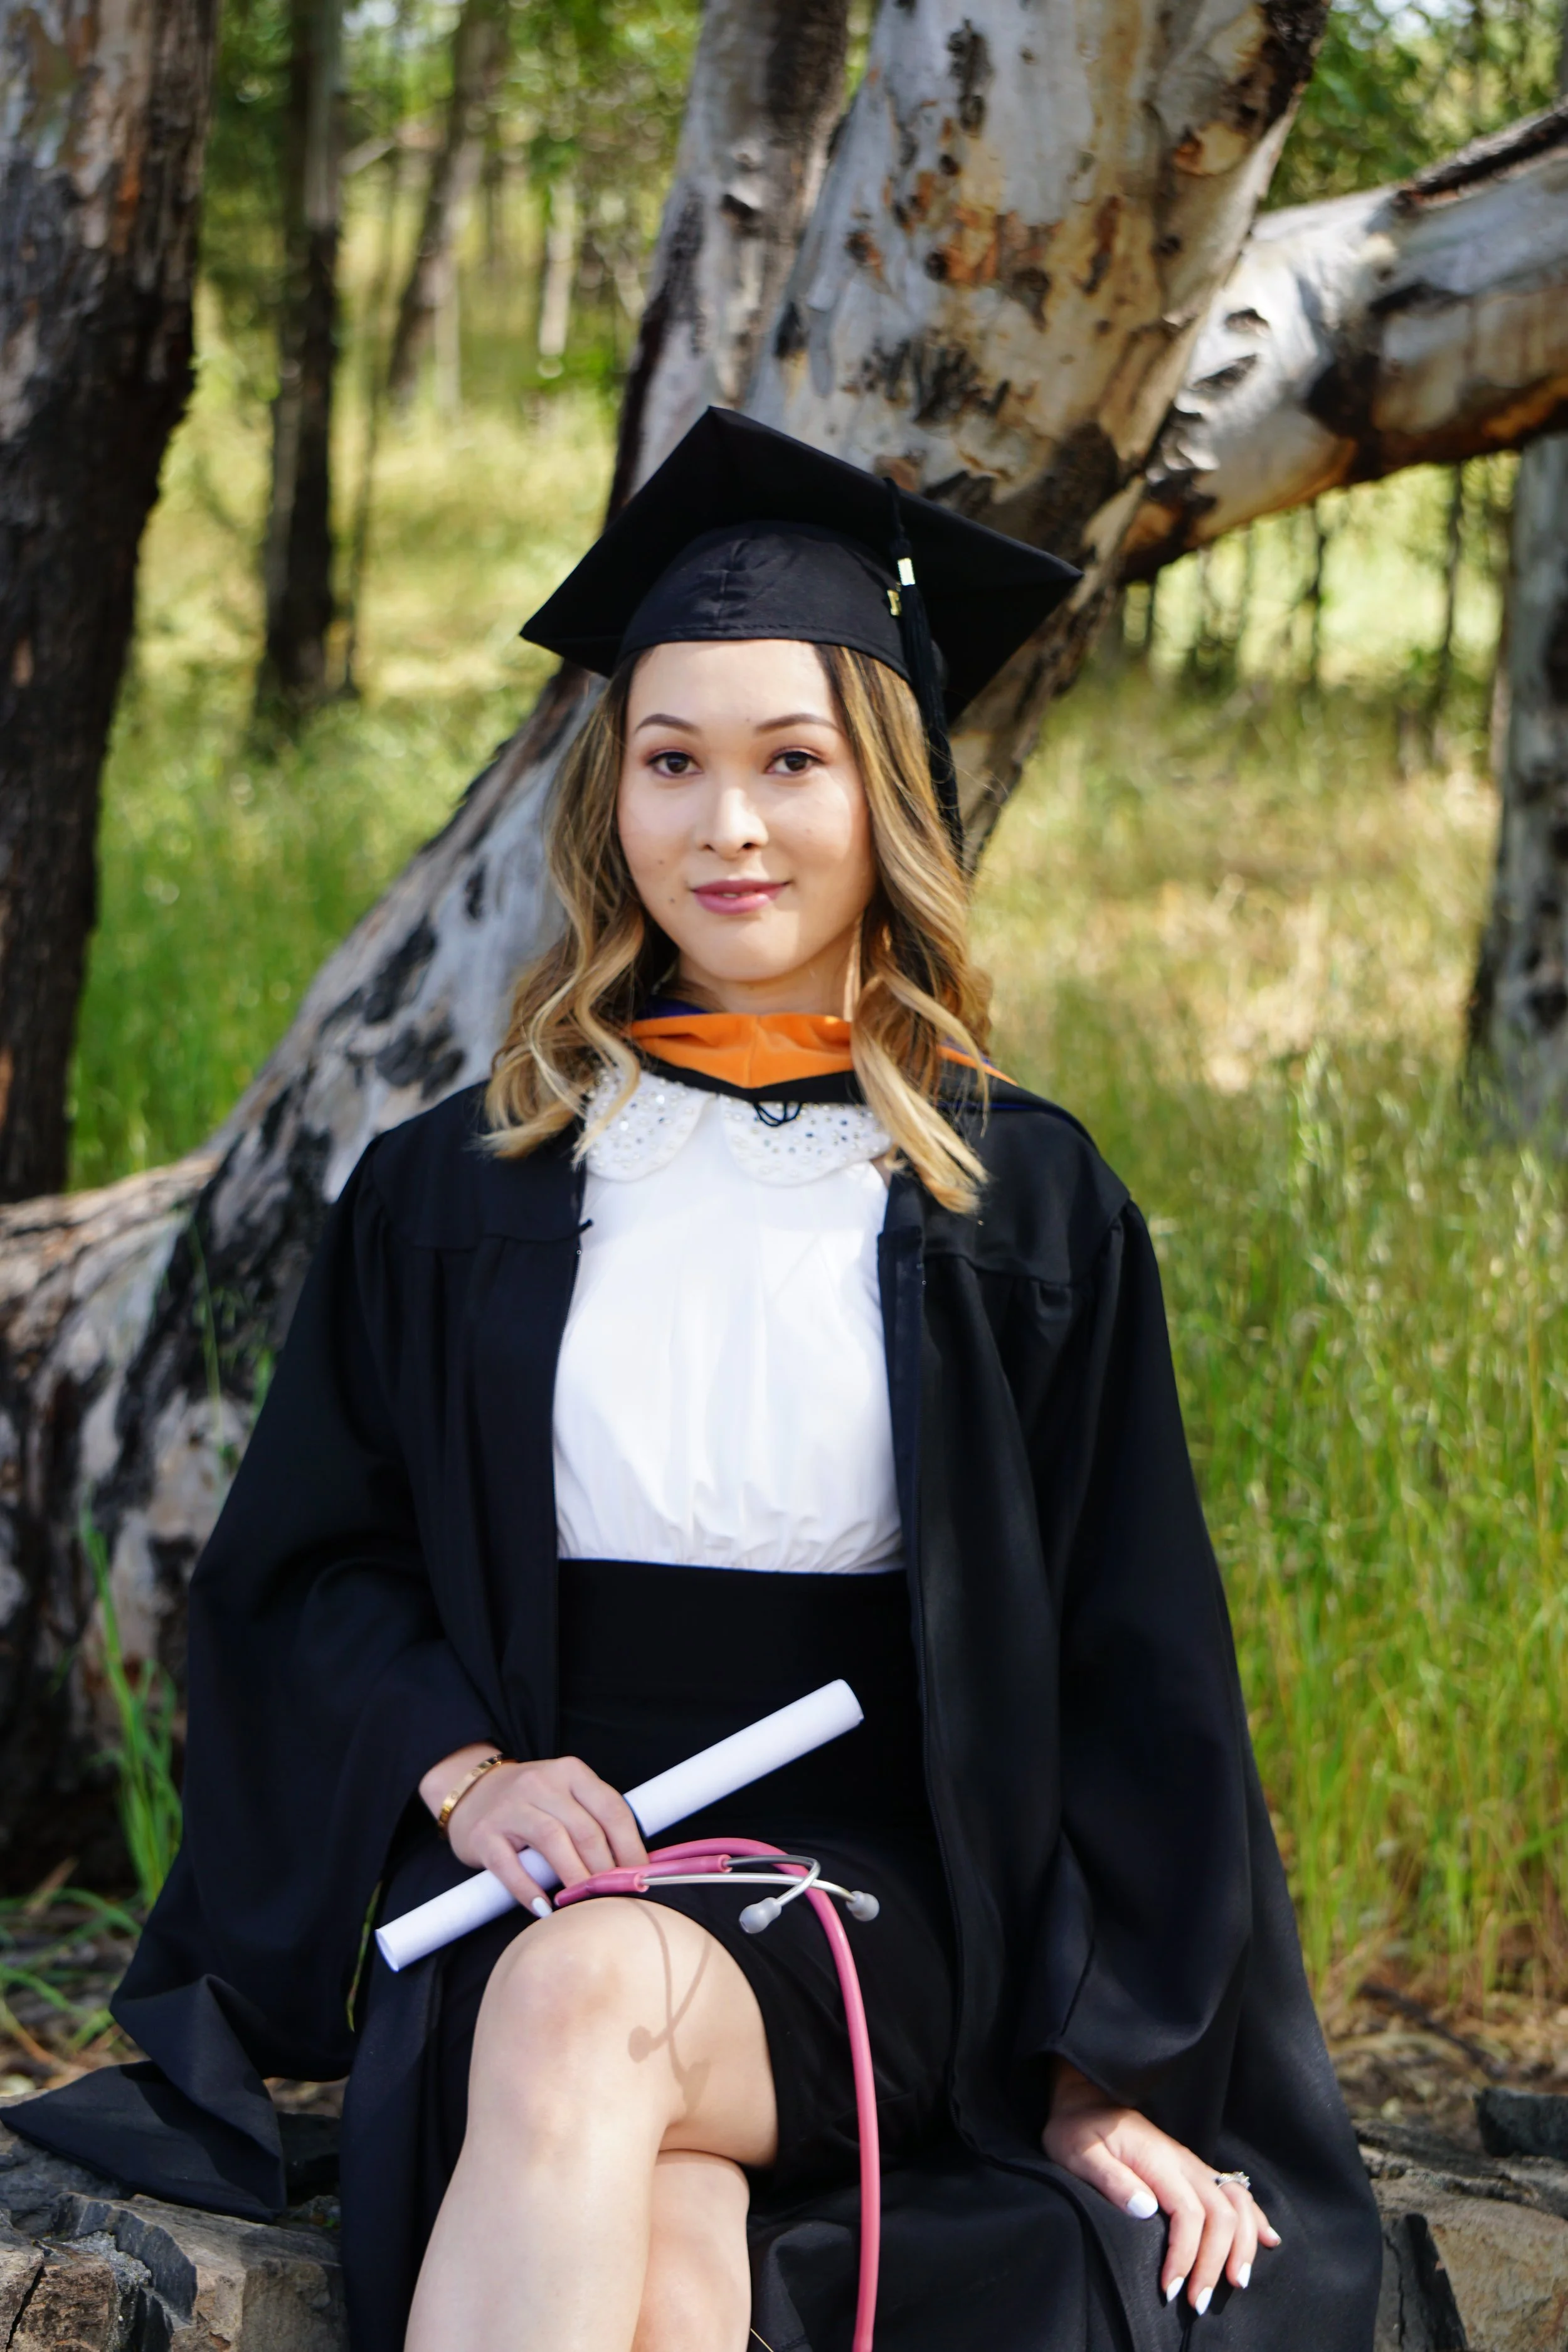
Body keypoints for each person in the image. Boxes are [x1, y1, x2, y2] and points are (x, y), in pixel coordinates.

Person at [13, 410, 1383, 2352]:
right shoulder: (455, 1189)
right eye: (672, 760)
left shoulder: (1013, 1198)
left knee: (590, 2002)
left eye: (788, 762)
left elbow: (1128, 1643)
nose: (725, 826)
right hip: (537, 1861)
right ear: (612, 793)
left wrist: (1108, 2065)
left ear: (882, 792)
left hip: (888, 1905)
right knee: (659, 2237)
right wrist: (471, 1776)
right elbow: (309, 1574)